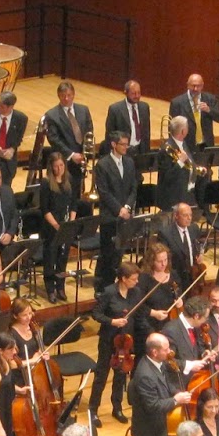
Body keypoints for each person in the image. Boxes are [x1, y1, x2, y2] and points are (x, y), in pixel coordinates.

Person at [130, 332, 192, 436]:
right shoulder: (145, 374)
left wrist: (175, 392)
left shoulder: (159, 363)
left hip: (160, 428)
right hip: (149, 432)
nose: (170, 351)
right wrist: (176, 400)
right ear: (154, 352)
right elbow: (153, 406)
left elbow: (166, 384)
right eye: (166, 349)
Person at [91, 262, 142, 424]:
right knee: (102, 375)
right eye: (133, 279)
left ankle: (117, 408)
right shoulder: (109, 292)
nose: (137, 282)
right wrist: (112, 321)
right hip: (109, 340)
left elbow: (139, 315)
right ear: (123, 279)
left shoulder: (136, 293)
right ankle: (93, 410)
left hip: (126, 341)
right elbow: (96, 313)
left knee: (121, 374)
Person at [94, 131, 138, 283]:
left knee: (119, 254)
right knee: (108, 255)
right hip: (110, 217)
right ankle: (103, 286)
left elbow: (133, 188)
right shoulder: (102, 165)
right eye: (123, 144)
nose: (126, 147)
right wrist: (119, 209)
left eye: (127, 144)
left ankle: (118, 285)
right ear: (113, 144)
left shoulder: (129, 162)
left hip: (125, 216)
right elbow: (104, 192)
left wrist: (127, 207)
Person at [43, 80, 94, 197]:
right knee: (66, 192)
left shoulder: (84, 110)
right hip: (64, 160)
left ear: (73, 94)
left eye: (69, 95)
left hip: (81, 158)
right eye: (63, 96)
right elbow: (54, 139)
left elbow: (89, 131)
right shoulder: (52, 115)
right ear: (58, 96)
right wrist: (71, 155)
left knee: (79, 190)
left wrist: (85, 152)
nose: (66, 98)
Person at [39, 151, 76, 301]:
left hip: (66, 225)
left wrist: (70, 223)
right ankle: (50, 289)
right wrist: (56, 226)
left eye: (61, 165)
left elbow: (74, 204)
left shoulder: (69, 180)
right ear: (51, 167)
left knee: (63, 258)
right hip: (51, 227)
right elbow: (45, 209)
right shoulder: (46, 183)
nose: (59, 169)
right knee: (50, 258)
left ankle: (60, 286)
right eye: (56, 166)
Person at [156, 202, 205, 291]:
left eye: (190, 215)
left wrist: (201, 253)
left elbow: (202, 242)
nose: (189, 218)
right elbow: (164, 256)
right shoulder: (165, 233)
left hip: (193, 274)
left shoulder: (194, 228)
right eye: (185, 215)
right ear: (176, 216)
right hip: (176, 276)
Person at [156, 116, 200, 212]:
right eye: (187, 127)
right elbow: (166, 177)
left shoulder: (183, 143)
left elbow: (189, 163)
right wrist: (180, 162)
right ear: (183, 131)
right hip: (173, 198)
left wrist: (197, 168)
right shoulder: (166, 149)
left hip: (187, 194)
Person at [170, 73, 219, 150]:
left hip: (206, 144)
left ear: (202, 85)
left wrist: (209, 110)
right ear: (188, 85)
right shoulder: (177, 102)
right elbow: (172, 127)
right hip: (186, 146)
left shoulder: (210, 99)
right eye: (193, 86)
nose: (195, 89)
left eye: (198, 86)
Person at [104, 79, 152, 155]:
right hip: (124, 151)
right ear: (125, 92)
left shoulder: (144, 107)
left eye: (139, 93)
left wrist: (146, 152)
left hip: (141, 150)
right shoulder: (115, 109)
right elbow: (110, 134)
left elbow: (147, 132)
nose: (137, 96)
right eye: (133, 93)